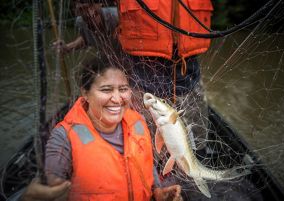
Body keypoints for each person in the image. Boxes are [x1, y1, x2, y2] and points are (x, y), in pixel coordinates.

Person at [42, 56, 182, 201]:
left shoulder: (138, 121)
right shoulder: (64, 138)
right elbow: (51, 193)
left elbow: (147, 162)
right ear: (85, 94)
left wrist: (157, 192)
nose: (116, 99)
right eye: (106, 90)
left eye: (123, 89)